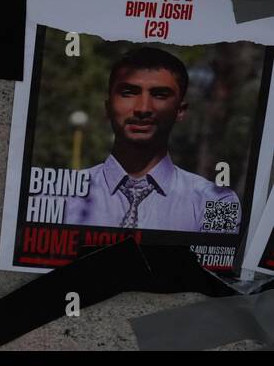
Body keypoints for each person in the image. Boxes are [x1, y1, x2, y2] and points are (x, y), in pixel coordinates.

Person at [63, 47, 239, 232]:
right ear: (108, 107)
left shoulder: (219, 201)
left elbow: (217, 261)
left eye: (159, 95)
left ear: (180, 111)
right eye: (129, 92)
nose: (143, 108)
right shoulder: (59, 196)